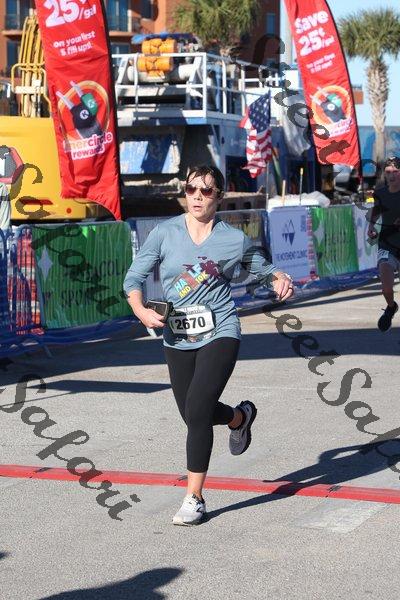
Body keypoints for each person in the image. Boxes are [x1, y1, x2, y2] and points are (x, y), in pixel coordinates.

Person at [123, 165, 294, 526]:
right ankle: (239, 417)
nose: (197, 196)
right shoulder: (165, 233)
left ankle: (194, 497)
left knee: (198, 411)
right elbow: (134, 278)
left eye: (205, 190)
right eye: (191, 189)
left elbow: (264, 269)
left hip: (221, 331)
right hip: (177, 336)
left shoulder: (233, 239)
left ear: (219, 196)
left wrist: (280, 278)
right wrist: (140, 310)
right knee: (191, 413)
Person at [368, 156, 400, 331]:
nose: (392, 175)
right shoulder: (380, 193)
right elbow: (376, 210)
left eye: (396, 171)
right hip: (387, 244)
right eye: (388, 172)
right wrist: (371, 225)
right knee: (386, 289)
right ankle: (391, 307)